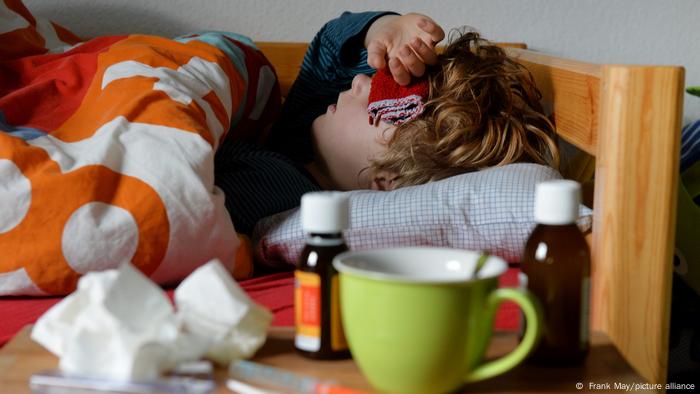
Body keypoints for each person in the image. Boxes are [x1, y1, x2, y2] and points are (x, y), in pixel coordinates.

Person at [215, 11, 559, 235]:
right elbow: (330, 49)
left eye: (378, 106)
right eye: (376, 78)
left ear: (386, 179)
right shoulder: (303, 130)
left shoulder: (283, 199)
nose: (358, 83)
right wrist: (384, 29)